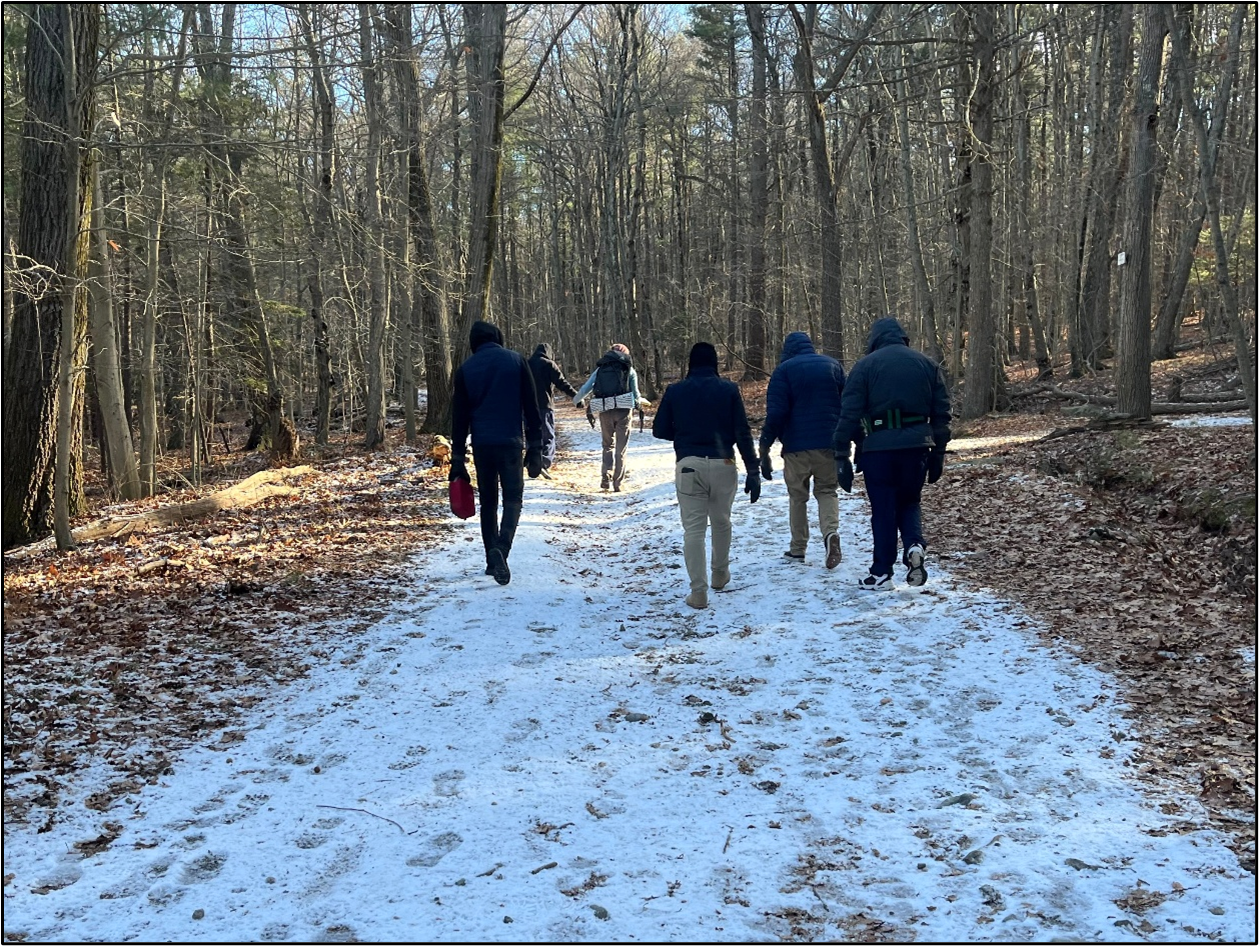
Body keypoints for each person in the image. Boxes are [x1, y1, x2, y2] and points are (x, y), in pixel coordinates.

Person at [831, 316, 951, 590]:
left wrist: (841, 453)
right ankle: (914, 546)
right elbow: (941, 413)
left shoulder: (864, 367)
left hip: (879, 450)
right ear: (903, 338)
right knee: (910, 501)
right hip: (917, 447)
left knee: (883, 509)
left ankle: (881, 571)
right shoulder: (927, 364)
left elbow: (848, 414)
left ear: (874, 340)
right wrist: (939, 452)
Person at [652, 342, 761, 610]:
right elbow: (742, 432)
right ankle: (720, 574)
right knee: (722, 521)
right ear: (715, 364)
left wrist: (683, 432)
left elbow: (659, 429)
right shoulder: (729, 390)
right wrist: (753, 469)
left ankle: (698, 591)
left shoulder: (675, 391)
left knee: (694, 530)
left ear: (690, 363)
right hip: (724, 463)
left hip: (689, 464)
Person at [450, 320, 544, 586]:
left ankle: (492, 561)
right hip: (511, 442)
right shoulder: (516, 361)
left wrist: (458, 459)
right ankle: (501, 549)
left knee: (489, 503)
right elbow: (531, 406)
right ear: (498, 337)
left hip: (482, 445)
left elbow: (459, 418)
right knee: (513, 500)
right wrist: (536, 446)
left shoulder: (466, 369)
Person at [758, 331, 847, 570]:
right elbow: (847, 404)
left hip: (796, 447)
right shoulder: (833, 366)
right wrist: (848, 442)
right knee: (827, 491)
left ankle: (798, 549)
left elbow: (776, 413)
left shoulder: (784, 371)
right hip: (829, 443)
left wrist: (764, 446)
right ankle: (830, 534)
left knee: (798, 497)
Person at [573, 343, 650, 492]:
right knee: (621, 448)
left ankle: (606, 474)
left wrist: (576, 400)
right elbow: (635, 394)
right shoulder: (629, 369)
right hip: (623, 410)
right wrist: (638, 403)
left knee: (607, 445)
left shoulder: (601, 369)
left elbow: (586, 388)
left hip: (604, 409)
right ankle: (617, 483)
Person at [526, 342, 579, 478]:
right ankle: (543, 462)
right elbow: (562, 383)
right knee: (548, 436)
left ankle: (532, 463)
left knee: (531, 435)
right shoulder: (549, 364)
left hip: (527, 407)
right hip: (544, 406)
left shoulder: (526, 364)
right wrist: (576, 397)